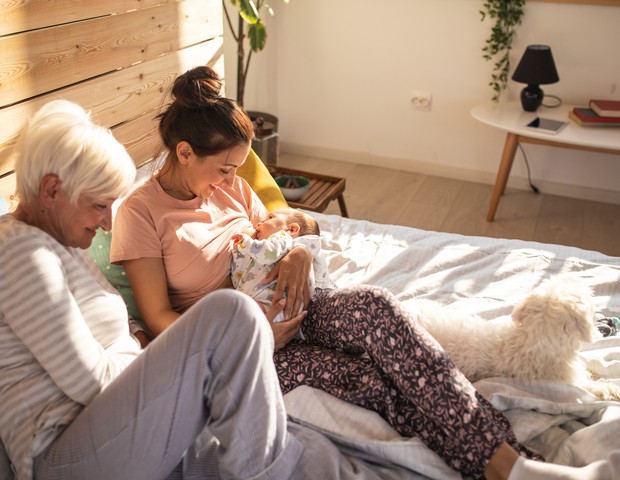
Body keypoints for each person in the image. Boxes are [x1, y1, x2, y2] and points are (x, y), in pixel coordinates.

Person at [109, 66, 618, 480]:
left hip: (295, 301)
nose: (232, 181)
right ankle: (508, 466)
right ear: (183, 153)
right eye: (224, 169)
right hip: (241, 347)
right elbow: (157, 318)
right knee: (368, 382)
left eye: (238, 170)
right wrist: (257, 335)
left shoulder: (228, 186)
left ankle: (512, 464)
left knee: (378, 310)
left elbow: (284, 223)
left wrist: (298, 251)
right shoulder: (141, 213)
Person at [0, 99, 417, 480]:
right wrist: (160, 359)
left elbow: (121, 327)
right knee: (233, 315)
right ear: (52, 190)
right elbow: (94, 383)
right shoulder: (20, 253)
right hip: (65, 453)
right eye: (97, 205)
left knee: (304, 448)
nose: (107, 222)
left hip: (116, 426)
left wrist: (152, 353)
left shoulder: (61, 245)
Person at [230, 208, 332, 325]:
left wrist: (245, 243)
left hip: (273, 305)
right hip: (281, 310)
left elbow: (269, 253)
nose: (258, 224)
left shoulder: (282, 237)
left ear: (292, 229)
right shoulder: (269, 250)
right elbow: (241, 278)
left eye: (270, 218)